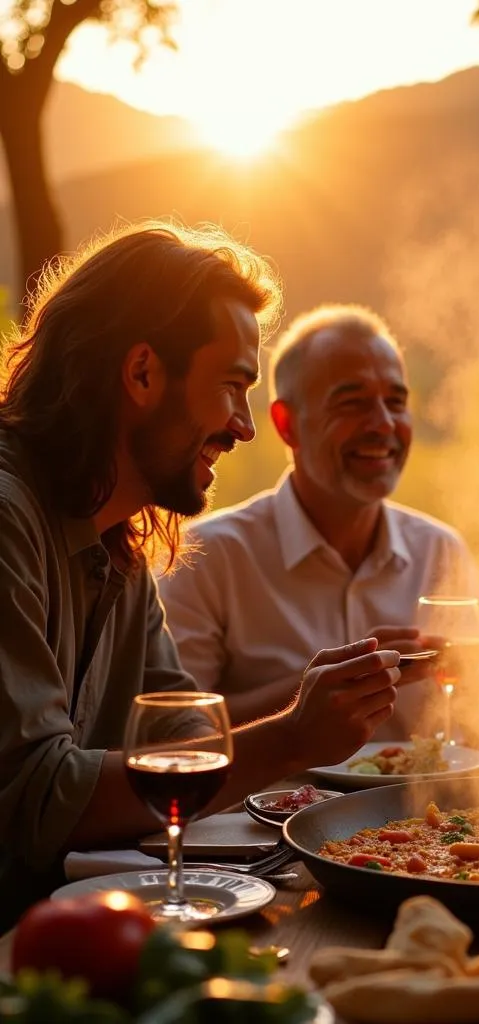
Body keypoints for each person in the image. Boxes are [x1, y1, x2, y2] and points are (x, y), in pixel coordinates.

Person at [0, 223, 402, 928]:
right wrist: (291, 738)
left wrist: (315, 721)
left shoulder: (117, 541)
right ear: (144, 373)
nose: (243, 428)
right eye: (231, 386)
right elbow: (38, 799)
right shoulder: (9, 520)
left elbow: (177, 730)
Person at [158, 304, 479, 739]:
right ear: (286, 423)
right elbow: (172, 735)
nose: (383, 424)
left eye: (396, 402)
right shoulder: (205, 555)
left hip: (419, 806)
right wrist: (316, 688)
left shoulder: (441, 550)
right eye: (352, 403)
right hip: (264, 807)